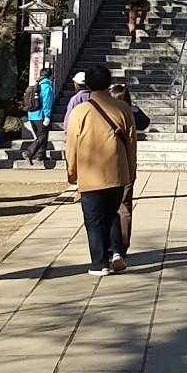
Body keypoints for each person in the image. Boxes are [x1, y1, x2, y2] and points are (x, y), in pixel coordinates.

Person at [65, 63, 137, 277]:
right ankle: (116, 252)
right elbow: (131, 142)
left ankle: (99, 263)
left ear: (87, 84)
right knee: (112, 213)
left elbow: (71, 144)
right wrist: (130, 169)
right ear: (109, 82)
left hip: (90, 172)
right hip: (117, 170)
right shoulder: (123, 108)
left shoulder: (80, 111)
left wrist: (72, 171)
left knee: (94, 219)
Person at [18, 67, 55, 166]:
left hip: (32, 115)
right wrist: (47, 116)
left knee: (41, 135)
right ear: (50, 76)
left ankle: (41, 155)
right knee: (42, 136)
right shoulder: (47, 87)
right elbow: (47, 102)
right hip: (41, 115)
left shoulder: (36, 85)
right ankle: (29, 152)